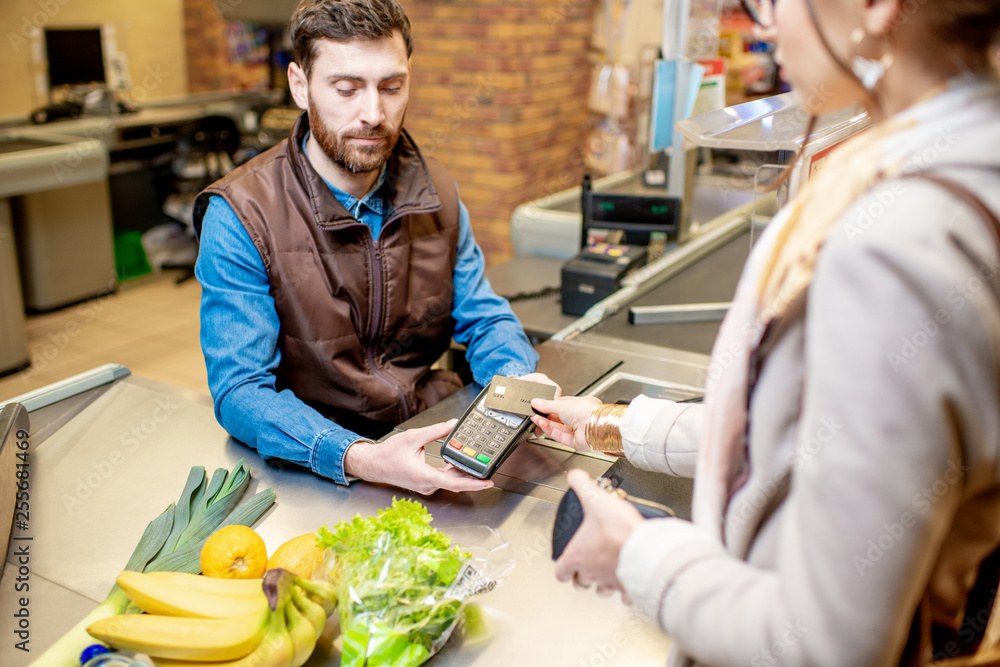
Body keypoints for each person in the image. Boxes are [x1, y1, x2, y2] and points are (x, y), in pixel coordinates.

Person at [531, 0, 1000, 664]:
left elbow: (827, 643)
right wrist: (613, 423)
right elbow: (813, 438)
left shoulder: (899, 242)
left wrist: (636, 553)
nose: (765, 21)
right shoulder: (965, 159)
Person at [194, 0, 553, 496]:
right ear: (300, 86)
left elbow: (486, 319)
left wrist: (514, 391)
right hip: (316, 461)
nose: (373, 114)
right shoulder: (240, 215)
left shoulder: (438, 194)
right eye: (346, 89)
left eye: (391, 86)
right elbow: (240, 392)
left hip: (430, 432)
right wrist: (357, 457)